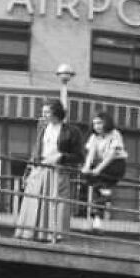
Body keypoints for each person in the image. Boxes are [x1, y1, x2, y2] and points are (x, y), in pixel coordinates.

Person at [15, 98, 84, 243]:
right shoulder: (42, 127)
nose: (44, 115)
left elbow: (79, 156)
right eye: (43, 112)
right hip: (39, 169)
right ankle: (29, 234)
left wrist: (61, 157)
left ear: (56, 112)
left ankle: (53, 236)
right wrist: (28, 171)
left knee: (55, 203)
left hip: (58, 172)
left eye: (47, 112)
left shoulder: (72, 131)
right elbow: (36, 150)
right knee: (34, 201)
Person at [80, 111, 127, 233]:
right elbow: (91, 154)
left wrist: (97, 169)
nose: (97, 126)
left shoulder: (115, 134)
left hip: (116, 164)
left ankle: (105, 194)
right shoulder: (94, 137)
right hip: (102, 164)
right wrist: (86, 167)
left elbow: (112, 155)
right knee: (89, 180)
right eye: (95, 123)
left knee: (98, 181)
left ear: (106, 123)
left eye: (100, 123)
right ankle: (97, 220)